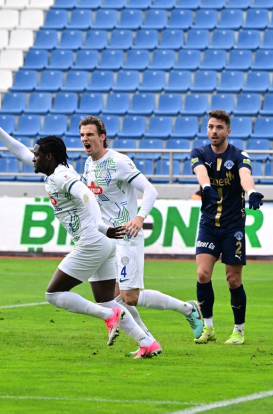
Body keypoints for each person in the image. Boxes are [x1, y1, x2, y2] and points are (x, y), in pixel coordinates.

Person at [0, 103, 162, 358]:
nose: (31, 158)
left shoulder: (61, 177)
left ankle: (108, 317)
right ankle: (147, 342)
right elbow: (19, 150)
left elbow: (87, 195)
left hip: (93, 241)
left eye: (37, 154)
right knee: (106, 298)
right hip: (102, 242)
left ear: (49, 157)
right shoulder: (54, 172)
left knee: (54, 294)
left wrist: (102, 227)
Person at [79, 116, 204, 349]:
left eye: (90, 135)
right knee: (114, 298)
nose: (85, 139)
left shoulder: (119, 162)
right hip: (108, 238)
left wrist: (140, 217)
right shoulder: (88, 165)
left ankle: (188, 308)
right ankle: (147, 341)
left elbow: (150, 190)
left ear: (102, 137)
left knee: (130, 297)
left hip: (127, 234)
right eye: (82, 135)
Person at [190, 110, 264, 345]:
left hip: (233, 226)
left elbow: (245, 175)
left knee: (233, 280)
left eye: (219, 127)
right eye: (211, 127)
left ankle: (239, 331)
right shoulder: (199, 152)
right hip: (209, 224)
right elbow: (200, 171)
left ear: (228, 131)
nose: (214, 131)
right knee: (202, 274)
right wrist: (206, 186)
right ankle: (208, 328)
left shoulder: (239, 154)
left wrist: (250, 191)